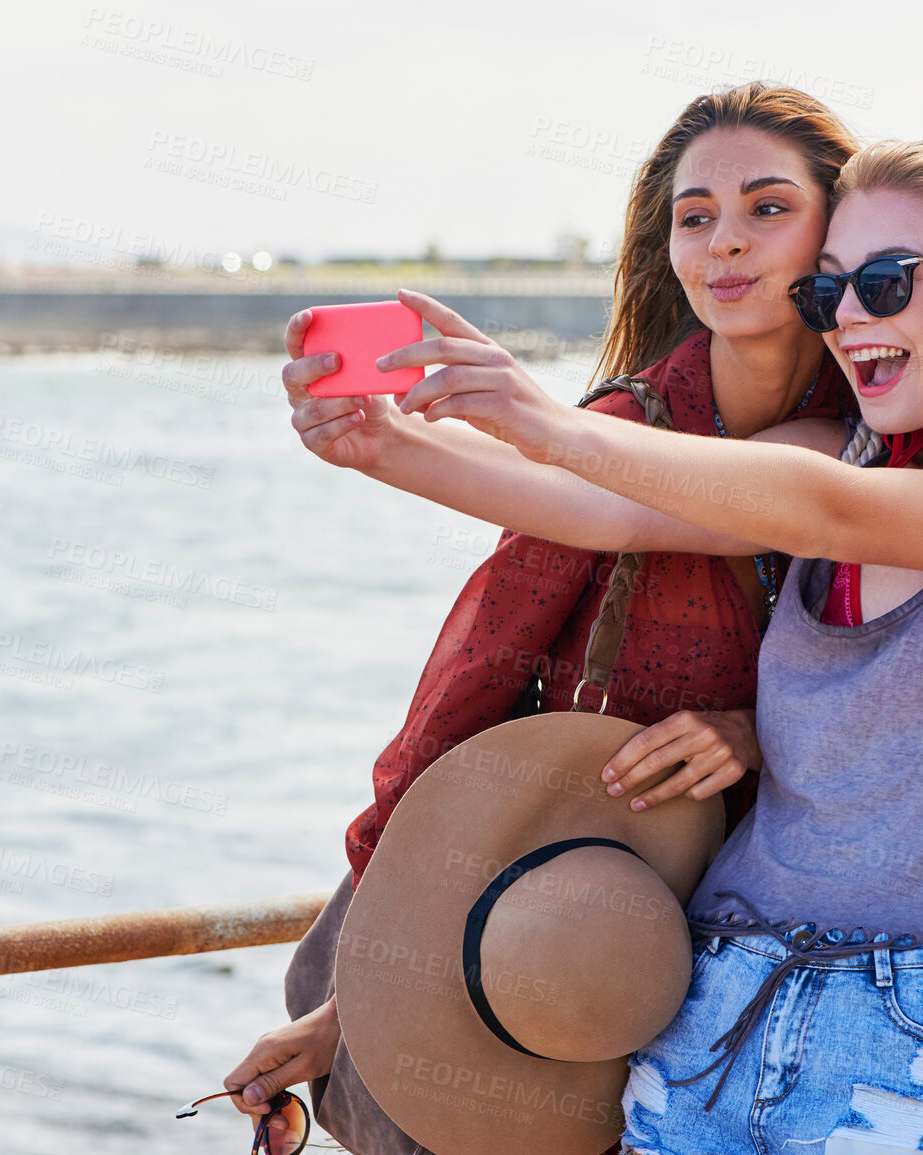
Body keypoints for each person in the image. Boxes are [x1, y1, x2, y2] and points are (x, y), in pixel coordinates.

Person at [286, 140, 923, 1154]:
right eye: (828, 294)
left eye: (886, 283)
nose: (849, 316)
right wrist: (384, 444)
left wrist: (542, 420)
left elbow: (836, 513)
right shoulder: (835, 450)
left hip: (914, 1047)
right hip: (706, 1014)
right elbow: (611, 507)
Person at [220, 82, 863, 1152]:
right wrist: (380, 441)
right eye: (695, 218)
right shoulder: (628, 418)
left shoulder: (868, 441)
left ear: (838, 231)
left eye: (767, 208)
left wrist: (755, 735)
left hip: (734, 944)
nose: (726, 245)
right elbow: (579, 505)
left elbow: (640, 500)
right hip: (563, 897)